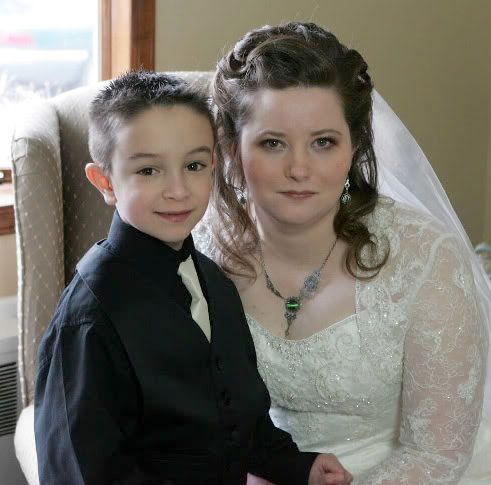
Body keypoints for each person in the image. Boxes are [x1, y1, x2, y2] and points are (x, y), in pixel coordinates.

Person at [202, 22, 491, 484]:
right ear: (233, 150)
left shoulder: (425, 258)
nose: (299, 169)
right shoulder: (202, 250)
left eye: (323, 142)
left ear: (354, 148)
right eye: (273, 143)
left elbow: (436, 454)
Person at [34, 70, 353, 485]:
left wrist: (298, 466)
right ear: (105, 182)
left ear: (213, 167)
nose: (178, 190)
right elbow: (79, 472)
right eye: (149, 171)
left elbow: (240, 421)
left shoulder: (215, 281)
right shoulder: (88, 321)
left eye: (194, 165)